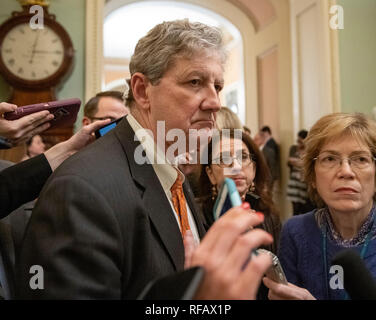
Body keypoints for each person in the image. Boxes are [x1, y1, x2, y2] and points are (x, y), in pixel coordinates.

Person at [16, 20, 273, 300]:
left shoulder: (173, 175)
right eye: (195, 82)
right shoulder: (81, 192)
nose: (214, 102)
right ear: (141, 91)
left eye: (218, 86)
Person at [264, 113, 376, 300]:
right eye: (330, 159)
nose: (346, 172)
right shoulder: (295, 232)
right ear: (312, 176)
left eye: (360, 159)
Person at [198, 129, 281, 253]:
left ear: (254, 168)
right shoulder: (197, 216)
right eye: (224, 159)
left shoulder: (268, 214)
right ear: (210, 174)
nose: (236, 166)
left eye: (243, 157)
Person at [286, 129, 315, 215]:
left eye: (300, 140)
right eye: (298, 140)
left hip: (304, 183)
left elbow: (308, 164)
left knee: (304, 207)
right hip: (294, 182)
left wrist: (298, 162)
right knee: (295, 207)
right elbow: (289, 161)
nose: (299, 142)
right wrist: (301, 162)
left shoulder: (309, 150)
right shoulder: (294, 148)